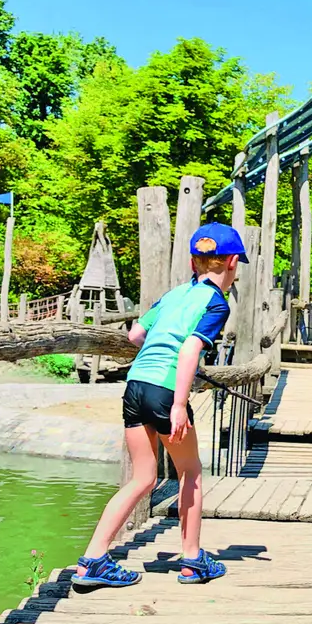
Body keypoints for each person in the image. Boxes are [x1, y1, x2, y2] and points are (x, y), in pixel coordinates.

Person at [71, 222, 247, 588]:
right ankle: (193, 560)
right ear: (232, 262)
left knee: (142, 478)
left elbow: (136, 334)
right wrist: (179, 403)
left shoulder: (173, 295)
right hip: (166, 391)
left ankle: (93, 559)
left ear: (192, 261)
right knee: (191, 471)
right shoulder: (216, 302)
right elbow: (189, 348)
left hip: (135, 386)